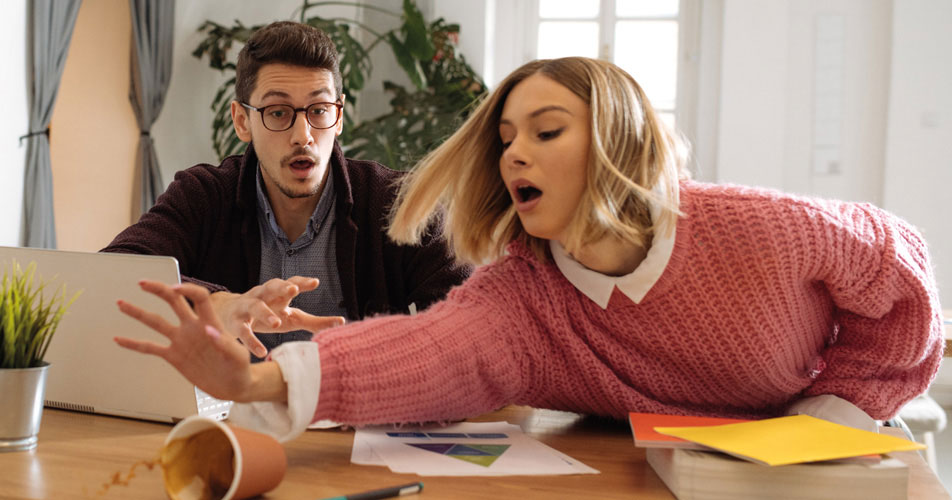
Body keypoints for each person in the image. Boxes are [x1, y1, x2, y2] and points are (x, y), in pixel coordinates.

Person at [112, 56, 943, 441]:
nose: (514, 154)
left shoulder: (756, 230)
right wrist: (249, 378)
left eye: (546, 131)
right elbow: (424, 349)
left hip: (821, 458)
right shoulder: (520, 299)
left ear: (616, 134)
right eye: (504, 138)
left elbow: (901, 279)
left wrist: (830, 411)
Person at [103, 21, 469, 359]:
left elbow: (472, 322)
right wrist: (217, 306)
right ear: (242, 121)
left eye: (319, 110)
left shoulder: (395, 201)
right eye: (278, 112)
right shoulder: (204, 194)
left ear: (338, 117)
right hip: (235, 421)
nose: (303, 136)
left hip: (353, 422)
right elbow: (114, 274)